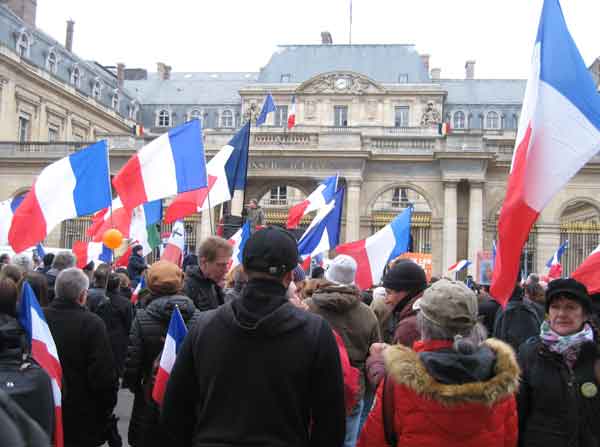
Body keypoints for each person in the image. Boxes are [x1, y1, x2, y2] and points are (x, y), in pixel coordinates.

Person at [161, 226, 346, 446]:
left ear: (245, 270)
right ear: (289, 276)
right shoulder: (315, 332)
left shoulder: (204, 325)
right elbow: (331, 422)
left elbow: (174, 407)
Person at [358, 279, 520, 447]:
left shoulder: (399, 381)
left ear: (423, 324)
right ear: (474, 326)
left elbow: (373, 440)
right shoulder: (500, 375)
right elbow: (509, 439)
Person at [123, 261, 202, 447]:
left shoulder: (142, 317)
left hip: (149, 398)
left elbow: (133, 361)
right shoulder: (199, 317)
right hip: (186, 400)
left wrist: (138, 387)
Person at [305, 254, 381, 447]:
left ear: (328, 277)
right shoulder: (367, 313)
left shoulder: (308, 308)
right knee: (348, 441)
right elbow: (375, 354)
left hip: (314, 384)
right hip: (354, 387)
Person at [517, 278, 600, 446]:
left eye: (570, 307)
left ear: (584, 314)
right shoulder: (529, 354)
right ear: (548, 312)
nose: (562, 314)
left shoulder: (596, 353)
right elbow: (518, 413)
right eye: (555, 307)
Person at [43, 268, 118, 447]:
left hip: (45, 410)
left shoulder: (40, 318)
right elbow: (103, 377)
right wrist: (106, 410)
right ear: (83, 296)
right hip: (82, 415)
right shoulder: (92, 323)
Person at [370, 259, 428, 345]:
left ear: (406, 292)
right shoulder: (425, 314)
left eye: (389, 293)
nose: (386, 300)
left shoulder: (408, 328)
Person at [93, 273, 133, 377]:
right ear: (118, 286)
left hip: (102, 336)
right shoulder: (125, 303)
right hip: (118, 340)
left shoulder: (97, 299)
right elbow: (129, 324)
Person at [183, 236, 232, 311]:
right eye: (221, 265)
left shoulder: (213, 284)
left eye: (226, 264)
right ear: (204, 263)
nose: (226, 270)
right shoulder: (187, 288)